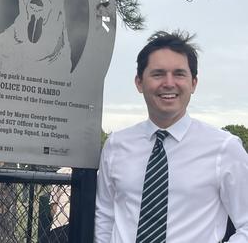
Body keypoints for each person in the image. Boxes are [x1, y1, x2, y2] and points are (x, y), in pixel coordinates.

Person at [95, 30, 248, 242]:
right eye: (158, 74)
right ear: (139, 82)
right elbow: (105, 215)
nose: (169, 83)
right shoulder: (116, 145)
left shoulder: (225, 148)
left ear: (193, 83)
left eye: (179, 74)